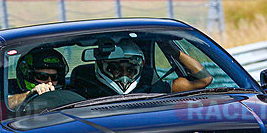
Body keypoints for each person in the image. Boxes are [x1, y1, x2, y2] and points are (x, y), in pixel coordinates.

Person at [71, 38, 213, 99]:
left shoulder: (153, 88)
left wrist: (172, 51)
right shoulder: (84, 93)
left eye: (130, 69)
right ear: (102, 67)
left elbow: (204, 79)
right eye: (116, 69)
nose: (124, 74)